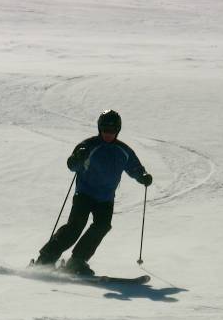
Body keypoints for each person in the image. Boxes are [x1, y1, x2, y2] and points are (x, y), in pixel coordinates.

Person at [35, 110, 152, 275]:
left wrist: (143, 177)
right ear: (99, 128)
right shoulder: (88, 145)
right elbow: (72, 166)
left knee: (102, 226)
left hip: (106, 198)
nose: (108, 134)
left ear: (118, 130)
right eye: (105, 130)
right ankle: (46, 258)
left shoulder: (123, 150)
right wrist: (78, 157)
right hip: (84, 194)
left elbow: (135, 168)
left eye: (112, 131)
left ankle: (77, 261)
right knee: (74, 227)